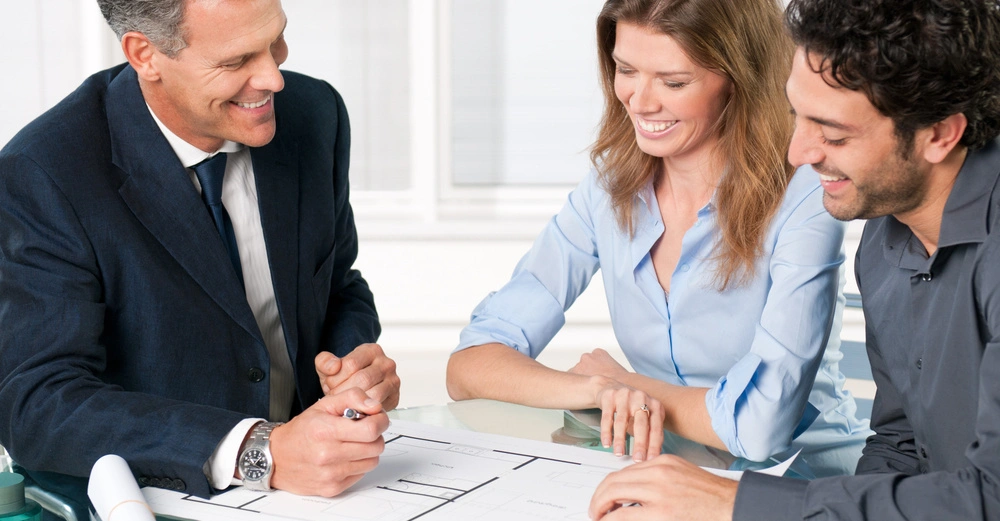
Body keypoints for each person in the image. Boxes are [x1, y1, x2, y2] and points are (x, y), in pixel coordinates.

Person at [588, 0, 1000, 519]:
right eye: (795, 117)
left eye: (833, 134)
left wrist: (735, 503)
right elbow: (901, 448)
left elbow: (990, 497)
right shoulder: (885, 236)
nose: (797, 153)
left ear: (939, 134)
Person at [0, 0, 401, 517]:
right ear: (145, 55)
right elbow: (37, 403)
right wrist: (259, 451)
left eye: (275, 41)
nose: (274, 78)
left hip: (323, 494)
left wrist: (353, 365)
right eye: (237, 61)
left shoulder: (315, 113)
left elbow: (337, 283)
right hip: (146, 499)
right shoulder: (44, 173)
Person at [447, 0, 869, 478]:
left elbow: (759, 429)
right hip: (673, 473)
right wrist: (598, 390)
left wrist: (632, 386)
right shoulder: (608, 189)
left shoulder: (807, 196)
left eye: (673, 82)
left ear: (739, 79)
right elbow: (470, 368)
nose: (640, 101)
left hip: (805, 485)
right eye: (626, 70)